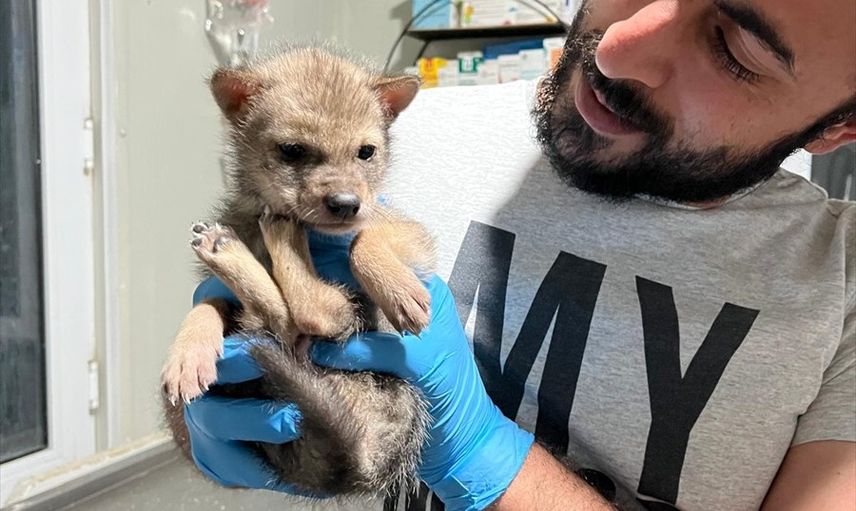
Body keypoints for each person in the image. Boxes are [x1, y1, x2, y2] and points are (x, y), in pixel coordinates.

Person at [180, 1, 856, 509]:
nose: (619, 48)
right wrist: (204, 409)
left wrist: (485, 456)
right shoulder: (392, 141)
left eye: (736, 50)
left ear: (840, 125)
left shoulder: (841, 284)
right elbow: (243, 386)